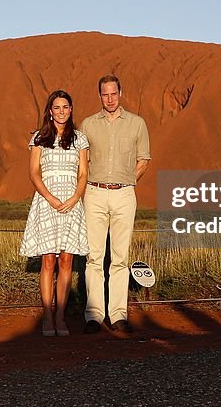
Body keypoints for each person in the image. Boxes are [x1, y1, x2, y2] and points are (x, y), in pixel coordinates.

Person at [79, 75, 150, 334]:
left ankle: (118, 314)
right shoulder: (88, 125)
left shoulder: (136, 124)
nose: (110, 99)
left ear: (121, 92)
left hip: (124, 194)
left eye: (113, 93)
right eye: (105, 94)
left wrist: (129, 181)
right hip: (95, 193)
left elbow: (144, 159)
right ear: (99, 96)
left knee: (120, 257)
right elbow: (81, 161)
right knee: (94, 257)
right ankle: (94, 315)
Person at [19, 89, 90, 337]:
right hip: (46, 203)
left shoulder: (80, 139)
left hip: (71, 204)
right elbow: (34, 173)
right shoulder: (39, 138)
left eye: (66, 107)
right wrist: (49, 197)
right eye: (57, 107)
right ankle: (47, 317)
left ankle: (61, 317)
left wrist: (74, 198)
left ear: (71, 110)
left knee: (67, 261)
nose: (62, 112)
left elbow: (83, 174)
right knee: (48, 261)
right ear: (50, 111)